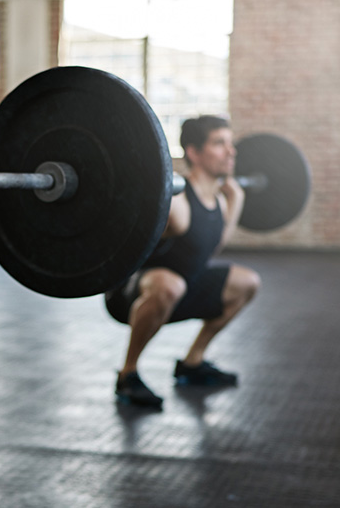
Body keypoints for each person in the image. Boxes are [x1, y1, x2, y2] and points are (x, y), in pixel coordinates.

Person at [105, 115, 261, 408]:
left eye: (230, 143)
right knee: (170, 285)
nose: (231, 151)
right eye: (219, 143)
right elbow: (129, 229)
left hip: (182, 287)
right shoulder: (178, 200)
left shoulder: (219, 197)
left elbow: (210, 248)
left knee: (247, 282)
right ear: (194, 153)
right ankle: (128, 374)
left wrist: (236, 201)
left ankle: (193, 362)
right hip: (130, 292)